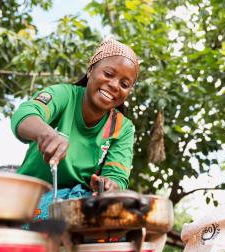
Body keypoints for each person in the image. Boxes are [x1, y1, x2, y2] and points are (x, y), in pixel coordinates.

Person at [11, 37, 139, 194]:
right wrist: (45, 134)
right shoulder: (64, 95)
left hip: (77, 206)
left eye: (124, 85)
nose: (114, 85)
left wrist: (108, 185)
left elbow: (117, 177)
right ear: (90, 70)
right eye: (108, 74)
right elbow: (25, 114)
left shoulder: (123, 127)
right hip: (28, 196)